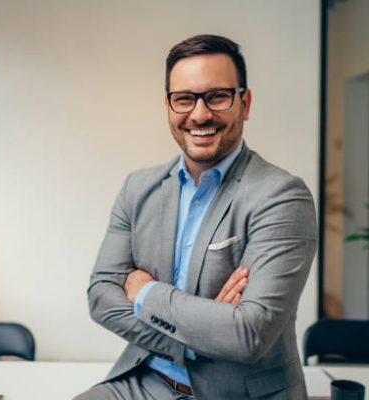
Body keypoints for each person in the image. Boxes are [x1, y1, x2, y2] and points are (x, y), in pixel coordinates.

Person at [75, 34, 317, 399]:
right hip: (143, 382)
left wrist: (147, 293)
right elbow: (101, 297)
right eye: (184, 99)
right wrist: (194, 336)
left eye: (217, 96)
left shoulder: (282, 196)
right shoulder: (138, 189)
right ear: (169, 106)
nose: (200, 114)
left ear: (245, 103)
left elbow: (248, 334)